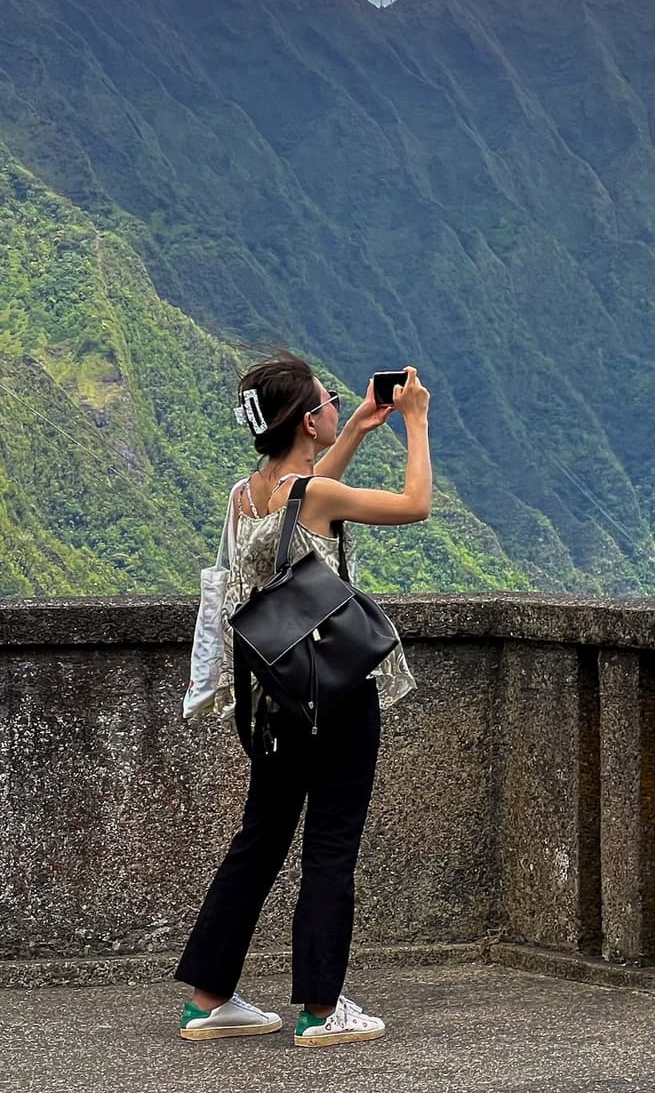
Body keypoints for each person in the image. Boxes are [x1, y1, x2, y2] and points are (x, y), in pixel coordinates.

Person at [173, 352, 433, 1048]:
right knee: (330, 844)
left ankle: (209, 999)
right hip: (335, 690)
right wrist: (415, 422)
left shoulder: (245, 494)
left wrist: (352, 431)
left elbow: (301, 505)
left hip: (271, 693)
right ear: (303, 420)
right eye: (326, 401)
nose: (332, 406)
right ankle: (322, 1009)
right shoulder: (311, 494)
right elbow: (416, 505)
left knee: (258, 841)